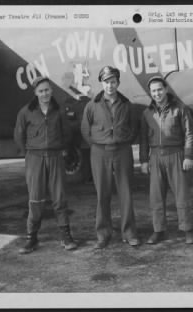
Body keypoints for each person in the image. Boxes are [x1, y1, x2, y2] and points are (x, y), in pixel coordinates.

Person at [14, 76, 77, 254]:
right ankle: (31, 238)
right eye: (41, 91)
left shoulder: (59, 111)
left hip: (55, 157)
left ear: (51, 90)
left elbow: (67, 134)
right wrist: (29, 153)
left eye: (47, 90)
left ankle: (66, 236)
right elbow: (19, 136)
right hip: (34, 158)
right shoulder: (26, 112)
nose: (45, 94)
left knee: (59, 197)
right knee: (35, 199)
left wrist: (61, 149)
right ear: (35, 93)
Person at [81, 66, 140, 249]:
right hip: (100, 152)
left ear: (118, 83)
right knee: (102, 194)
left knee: (126, 193)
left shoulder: (126, 104)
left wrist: (124, 141)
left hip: (122, 151)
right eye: (106, 82)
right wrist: (99, 144)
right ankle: (103, 234)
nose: (110, 85)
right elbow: (85, 129)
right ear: (101, 83)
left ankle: (129, 232)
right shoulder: (92, 105)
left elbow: (134, 127)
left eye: (113, 81)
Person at [140, 76, 193, 244]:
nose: (157, 93)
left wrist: (188, 156)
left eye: (159, 89)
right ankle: (158, 230)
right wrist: (144, 160)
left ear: (166, 89)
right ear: (150, 93)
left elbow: (189, 134)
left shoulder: (180, 109)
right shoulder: (146, 113)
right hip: (156, 157)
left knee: (182, 195)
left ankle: (187, 229)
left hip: (176, 155)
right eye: (153, 91)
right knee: (156, 197)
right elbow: (143, 139)